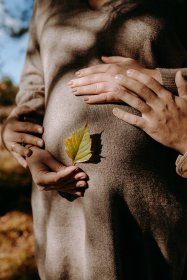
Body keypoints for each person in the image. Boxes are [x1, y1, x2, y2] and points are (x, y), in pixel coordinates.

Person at [2, 0, 187, 279]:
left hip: (153, 206)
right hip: (64, 210)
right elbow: (33, 85)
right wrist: (21, 134)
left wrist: (156, 79)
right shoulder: (46, 4)